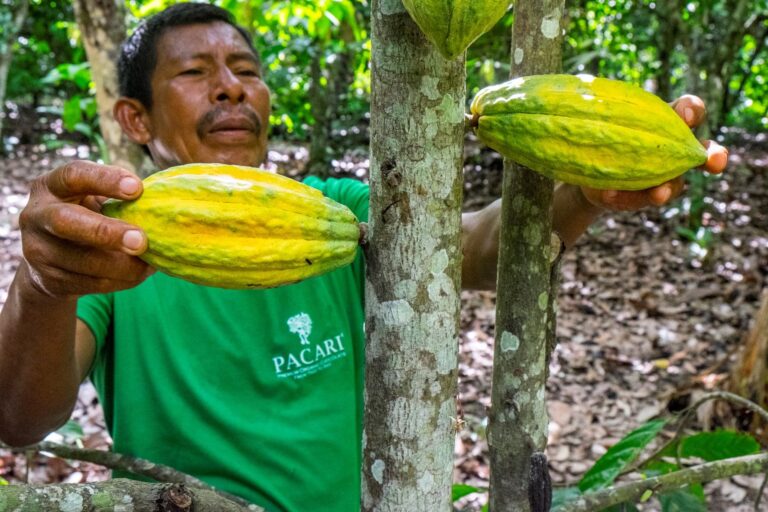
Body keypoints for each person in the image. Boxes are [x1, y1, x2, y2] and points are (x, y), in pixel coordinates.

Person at [0, 3, 728, 511]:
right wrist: (42, 284)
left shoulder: (338, 209)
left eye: (245, 69)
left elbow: (473, 249)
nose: (230, 86)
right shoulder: (107, 242)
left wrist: (590, 189)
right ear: (135, 118)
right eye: (194, 73)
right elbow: (21, 417)